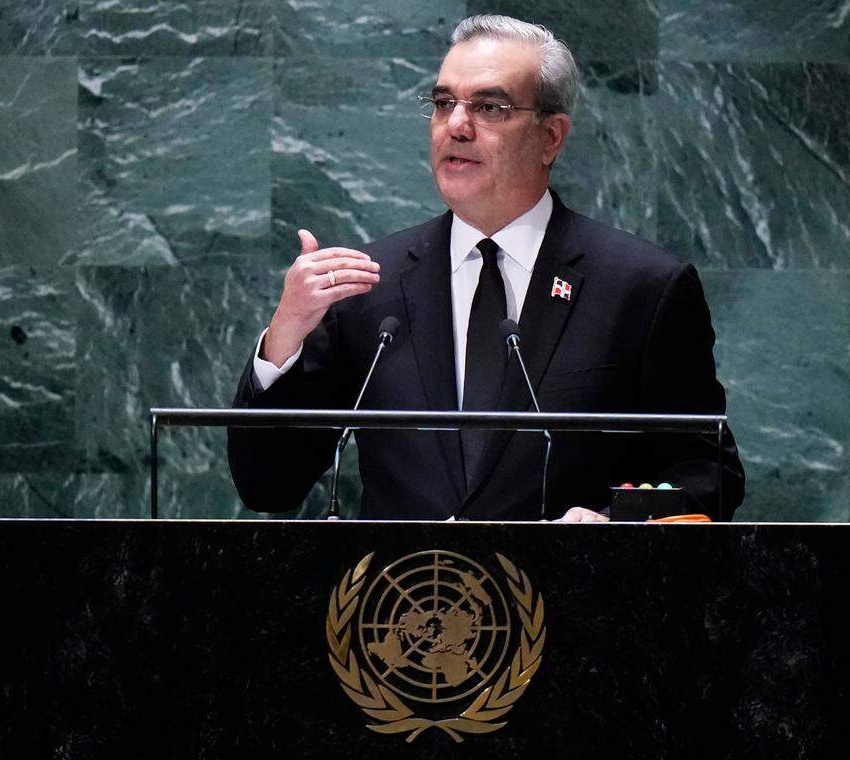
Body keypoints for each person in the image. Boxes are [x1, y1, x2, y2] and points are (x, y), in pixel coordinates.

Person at [227, 15, 744, 522]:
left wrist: (614, 524)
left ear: (551, 137)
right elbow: (268, 485)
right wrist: (284, 337)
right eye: (443, 103)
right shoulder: (369, 285)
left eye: (490, 107)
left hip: (573, 597)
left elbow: (708, 472)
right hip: (401, 603)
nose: (456, 125)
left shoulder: (642, 288)